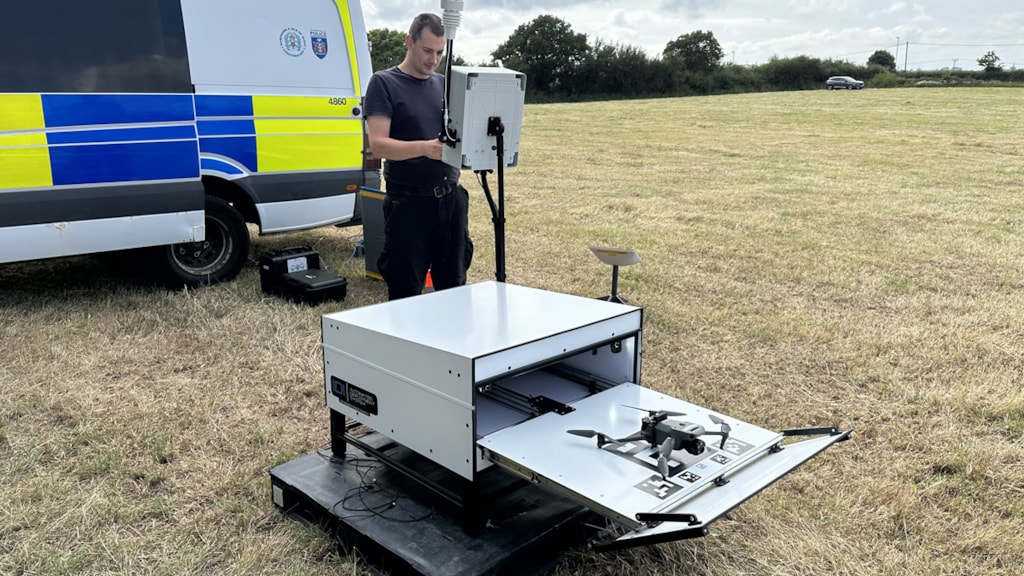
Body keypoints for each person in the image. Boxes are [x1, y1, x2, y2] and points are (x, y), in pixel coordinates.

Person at [364, 13, 472, 300]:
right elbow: (378, 145)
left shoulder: (445, 85)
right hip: (409, 204)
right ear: (409, 41)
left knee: (454, 286)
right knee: (406, 291)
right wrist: (424, 148)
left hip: (451, 199)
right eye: (427, 50)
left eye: (439, 52)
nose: (433, 59)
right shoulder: (384, 83)